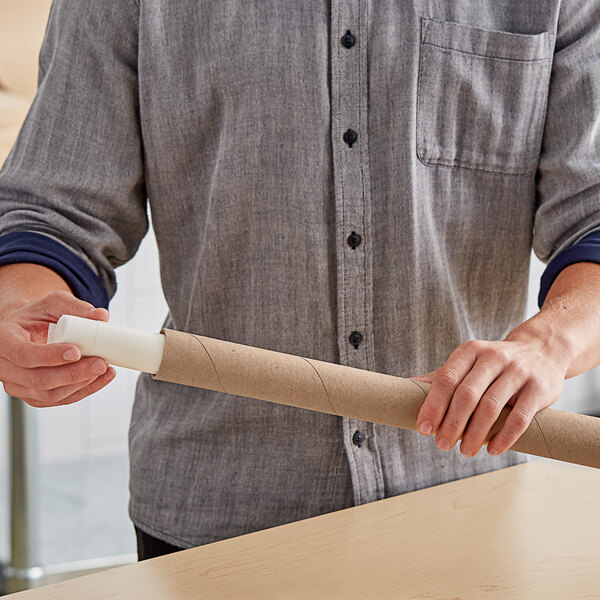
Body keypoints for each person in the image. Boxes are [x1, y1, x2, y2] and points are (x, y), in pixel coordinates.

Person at [1, 1, 599, 561]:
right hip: (215, 521)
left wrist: (550, 344)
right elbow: (53, 213)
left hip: (465, 505)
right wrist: (19, 303)